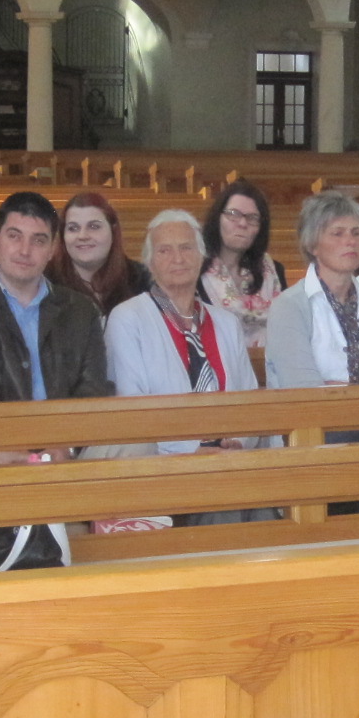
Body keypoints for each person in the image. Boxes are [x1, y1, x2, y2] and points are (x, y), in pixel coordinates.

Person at [107, 210, 277, 523]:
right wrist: (190, 452)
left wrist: (238, 441)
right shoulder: (128, 319)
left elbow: (249, 402)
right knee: (226, 506)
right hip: (164, 472)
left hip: (229, 462)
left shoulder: (226, 323)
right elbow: (132, 412)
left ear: (201, 257)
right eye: (165, 250)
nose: (178, 258)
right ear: (149, 262)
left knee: (269, 508)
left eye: (186, 247)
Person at [0, 191, 113, 463]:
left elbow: (92, 390)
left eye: (38, 240)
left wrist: (66, 446)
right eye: (14, 236)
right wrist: (20, 451)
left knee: (135, 449)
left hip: (70, 445)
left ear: (52, 249)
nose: (25, 251)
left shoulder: (80, 310)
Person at [264, 191, 359, 391]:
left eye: (356, 233)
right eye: (338, 233)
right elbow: (302, 390)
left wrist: (337, 388)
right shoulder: (289, 307)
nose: (351, 241)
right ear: (312, 245)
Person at [198, 179, 286, 348]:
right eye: (233, 214)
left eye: (253, 218)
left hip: (268, 361)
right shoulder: (196, 271)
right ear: (218, 218)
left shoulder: (275, 271)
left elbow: (286, 329)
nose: (243, 223)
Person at [48, 190, 149, 317]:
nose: (83, 236)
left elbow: (168, 315)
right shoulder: (44, 282)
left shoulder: (142, 278)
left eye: (94, 227)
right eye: (73, 228)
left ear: (113, 231)